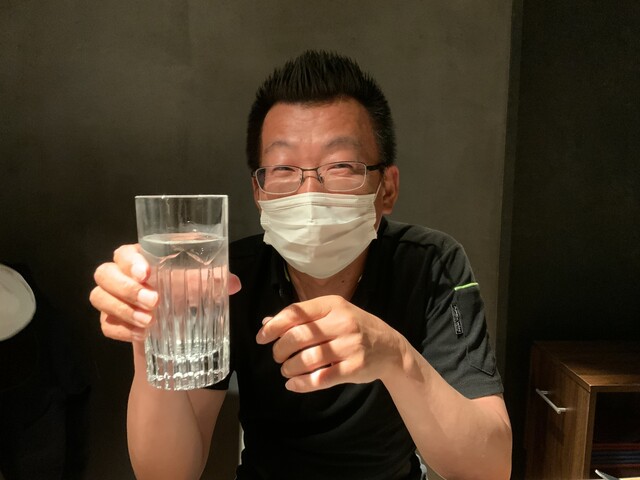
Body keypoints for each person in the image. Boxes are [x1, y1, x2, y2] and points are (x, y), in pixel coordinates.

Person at [90, 50, 512, 480]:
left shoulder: (431, 264)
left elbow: (489, 469)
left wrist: (394, 356)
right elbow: (166, 473)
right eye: (283, 168)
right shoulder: (227, 278)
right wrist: (149, 333)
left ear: (386, 188)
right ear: (259, 192)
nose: (310, 193)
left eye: (341, 166)